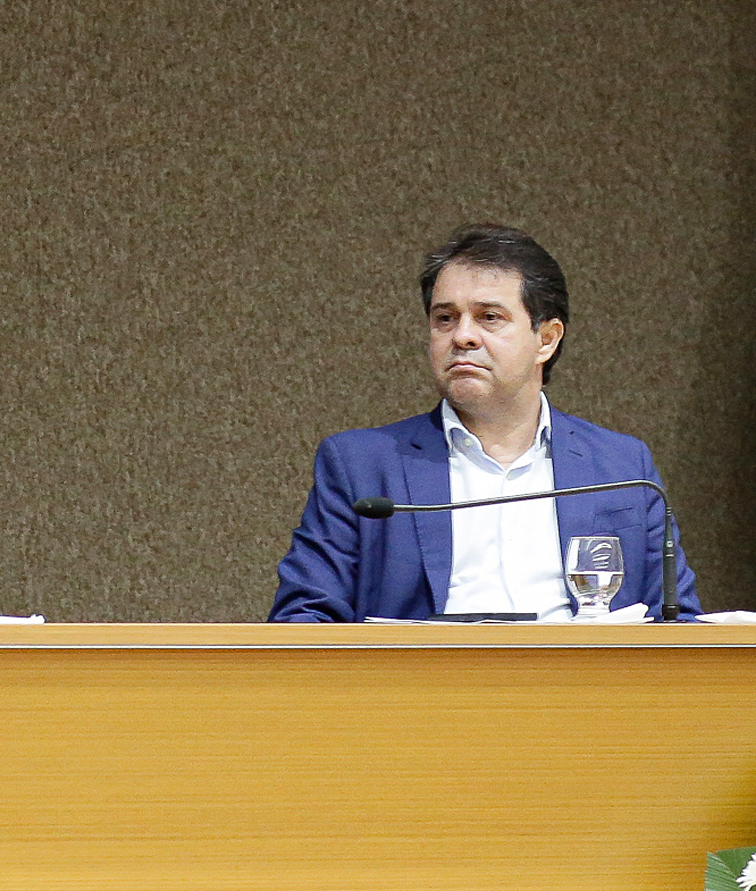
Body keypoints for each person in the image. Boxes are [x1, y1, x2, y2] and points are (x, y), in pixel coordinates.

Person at [271, 224, 700, 622]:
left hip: (581, 694)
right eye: (445, 318)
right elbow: (303, 620)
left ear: (546, 339)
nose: (463, 336)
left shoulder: (622, 467)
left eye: (489, 317)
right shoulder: (361, 465)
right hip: (423, 694)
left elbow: (678, 622)